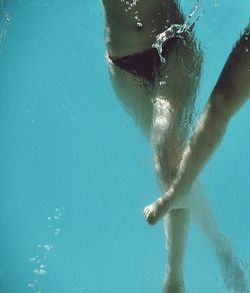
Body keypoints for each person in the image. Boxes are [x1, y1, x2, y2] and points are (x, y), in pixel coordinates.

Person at [101, 0, 249, 292]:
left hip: (173, 47)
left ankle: (174, 277)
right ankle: (221, 247)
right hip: (122, 66)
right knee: (171, 165)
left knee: (164, 158)